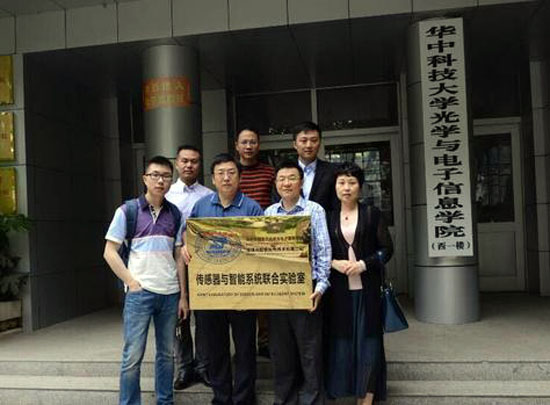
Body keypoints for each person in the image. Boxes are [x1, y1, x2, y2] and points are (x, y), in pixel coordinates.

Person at [103, 155, 189, 405]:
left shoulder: (175, 213)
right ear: (145, 178)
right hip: (140, 294)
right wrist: (131, 283)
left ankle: (165, 401)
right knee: (132, 356)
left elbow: (178, 256)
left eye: (166, 176)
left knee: (166, 355)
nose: (161, 181)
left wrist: (183, 296)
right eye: (155, 175)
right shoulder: (127, 211)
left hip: (170, 293)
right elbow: (109, 252)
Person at [184, 153, 263, 405]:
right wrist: (186, 246)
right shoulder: (201, 206)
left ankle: (244, 398)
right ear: (213, 178)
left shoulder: (252, 208)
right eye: (221, 173)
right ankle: (221, 397)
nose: (226, 177)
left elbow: (262, 247)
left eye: (231, 172)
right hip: (211, 292)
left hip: (243, 291)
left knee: (245, 348)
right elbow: (188, 236)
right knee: (216, 349)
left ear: (239, 177)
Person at [324, 162, 393, 404]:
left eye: (352, 183)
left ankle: (367, 397)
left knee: (369, 343)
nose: (346, 187)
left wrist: (364, 264)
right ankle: (349, 390)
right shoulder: (328, 217)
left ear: (360, 187)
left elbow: (387, 249)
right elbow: (318, 252)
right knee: (343, 344)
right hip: (339, 293)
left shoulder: (372, 214)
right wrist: (334, 263)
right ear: (335, 187)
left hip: (368, 290)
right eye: (341, 182)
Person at [264, 160, 332, 405]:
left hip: (307, 290)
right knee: (281, 351)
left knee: (310, 351)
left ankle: (312, 400)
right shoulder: (269, 213)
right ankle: (284, 400)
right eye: (281, 179)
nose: (286, 183)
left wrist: (320, 287)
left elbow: (324, 251)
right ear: (276, 183)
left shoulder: (314, 210)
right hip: (277, 291)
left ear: (301, 182)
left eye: (292, 178)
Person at [166, 145, 213, 390]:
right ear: (176, 163)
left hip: (203, 266)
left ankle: (203, 366)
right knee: (179, 318)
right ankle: (184, 367)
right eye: (184, 161)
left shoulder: (209, 195)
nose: (189, 165)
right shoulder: (167, 194)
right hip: (173, 264)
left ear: (199, 164)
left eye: (194, 161)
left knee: (204, 319)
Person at [235, 127, 275, 358]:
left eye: (253, 142)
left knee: (263, 292)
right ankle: (244, 345)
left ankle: (265, 341)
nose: (248, 146)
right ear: (237, 146)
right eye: (244, 142)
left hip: (263, 240)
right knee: (241, 293)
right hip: (237, 241)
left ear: (258, 145)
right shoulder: (231, 171)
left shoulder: (269, 172)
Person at [292, 121, 337, 212]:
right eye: (304, 141)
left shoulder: (332, 172)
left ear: (320, 143)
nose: (309, 145)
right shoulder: (284, 172)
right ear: (295, 144)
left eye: (314, 140)